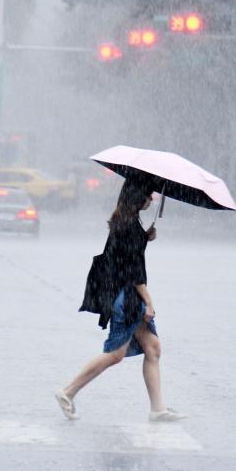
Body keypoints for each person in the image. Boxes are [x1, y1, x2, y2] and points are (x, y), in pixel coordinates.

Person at [55, 179, 186, 422]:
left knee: (153, 348)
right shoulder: (131, 228)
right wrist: (149, 302)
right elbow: (133, 273)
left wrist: (145, 238)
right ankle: (68, 391)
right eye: (148, 195)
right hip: (126, 298)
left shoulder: (125, 223)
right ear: (138, 198)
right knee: (115, 354)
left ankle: (158, 409)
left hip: (120, 292)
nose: (151, 199)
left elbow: (124, 255)